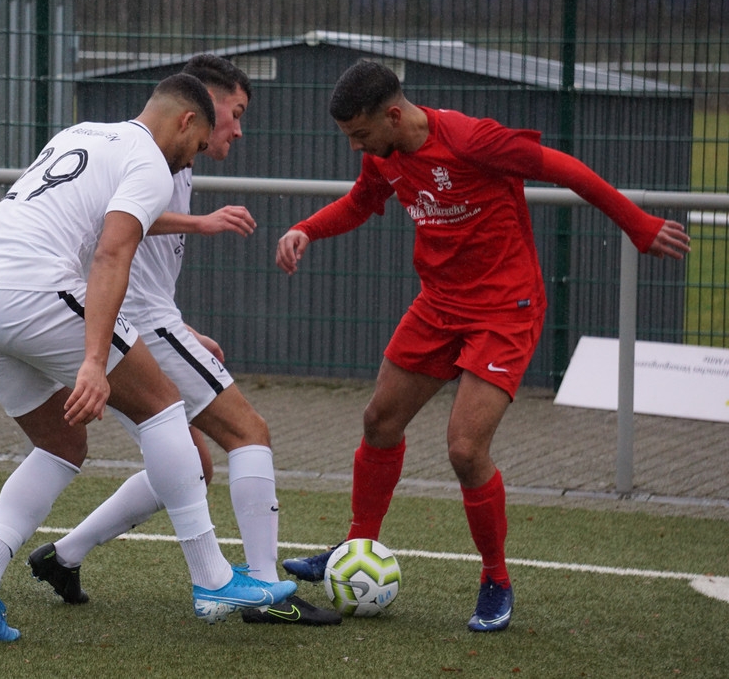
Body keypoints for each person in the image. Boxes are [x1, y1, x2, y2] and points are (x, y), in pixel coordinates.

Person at [275, 60, 691, 632]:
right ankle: (354, 550)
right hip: (438, 305)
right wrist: (306, 228)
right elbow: (360, 203)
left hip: (504, 309)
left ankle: (495, 578)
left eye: (361, 134)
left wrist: (637, 224)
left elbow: (566, 169)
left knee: (465, 449)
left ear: (393, 115)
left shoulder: (473, 139)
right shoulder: (383, 154)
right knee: (379, 422)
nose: (356, 148)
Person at [0, 73, 296, 642]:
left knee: (61, 443)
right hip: (34, 289)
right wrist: (92, 361)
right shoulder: (152, 160)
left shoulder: (82, 132)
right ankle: (212, 580)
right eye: (199, 143)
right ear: (186, 121)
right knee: (163, 405)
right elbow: (111, 255)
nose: (193, 159)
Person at [27, 55, 341, 626]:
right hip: (135, 321)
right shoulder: (159, 149)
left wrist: (184, 327)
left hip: (139, 318)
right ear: (200, 107)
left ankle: (63, 556)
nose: (240, 130)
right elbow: (115, 228)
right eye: (236, 113)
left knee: (192, 461)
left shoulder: (165, 152)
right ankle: (268, 591)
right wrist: (202, 225)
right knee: (249, 431)